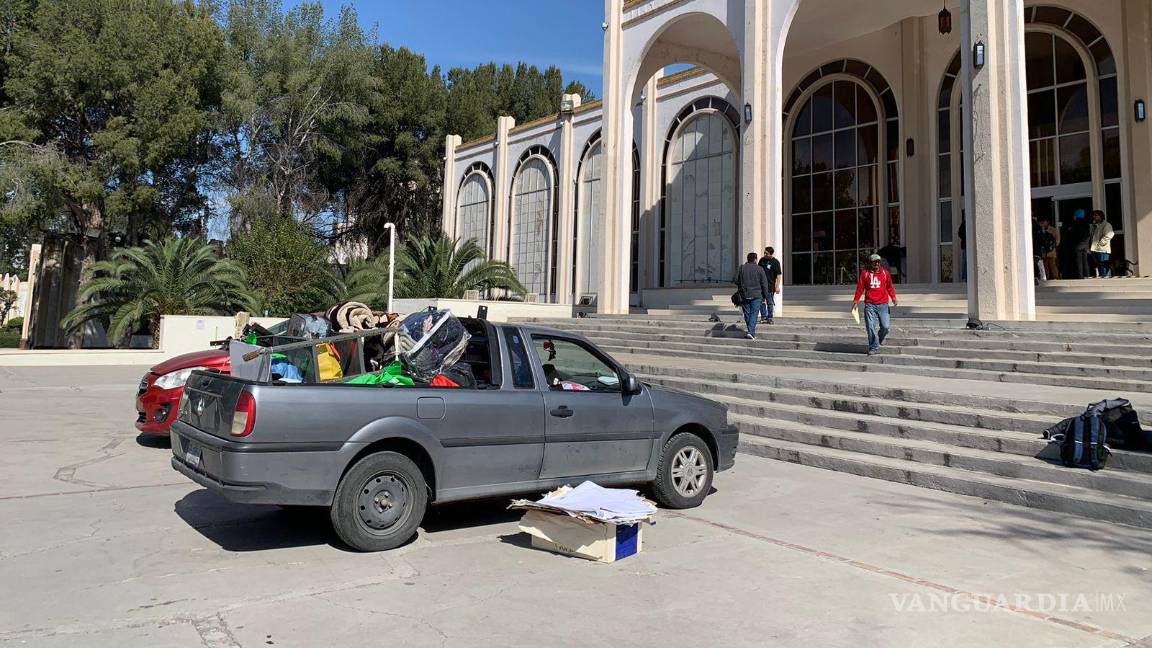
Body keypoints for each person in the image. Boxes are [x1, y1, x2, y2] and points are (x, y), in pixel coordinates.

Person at [852, 253, 898, 356]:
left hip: (883, 304)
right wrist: (855, 301)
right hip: (870, 304)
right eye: (874, 262)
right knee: (870, 326)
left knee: (885, 327)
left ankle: (880, 337)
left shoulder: (885, 273)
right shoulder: (865, 273)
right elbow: (860, 288)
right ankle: (873, 347)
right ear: (871, 263)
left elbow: (890, 287)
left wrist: (893, 297)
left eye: (878, 261)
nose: (876, 263)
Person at [734, 251, 771, 340]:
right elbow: (764, 283)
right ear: (755, 259)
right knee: (754, 314)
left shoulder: (741, 268)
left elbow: (736, 280)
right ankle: (751, 332)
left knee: (747, 314)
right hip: (757, 294)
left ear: (748, 259)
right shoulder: (759, 269)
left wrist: (741, 286)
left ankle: (751, 332)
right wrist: (765, 296)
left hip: (744, 294)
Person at [757, 246, 783, 324]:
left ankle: (770, 317)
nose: (764, 254)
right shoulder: (762, 260)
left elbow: (778, 275)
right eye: (764, 252)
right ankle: (763, 317)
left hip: (770, 285)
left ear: (771, 254)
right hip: (761, 285)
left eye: (766, 253)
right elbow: (758, 271)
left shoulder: (775, 262)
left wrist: (777, 286)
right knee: (761, 301)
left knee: (770, 302)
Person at [1089, 210, 1115, 278]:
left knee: (1104, 267)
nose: (1094, 217)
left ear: (1101, 216)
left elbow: (1110, 234)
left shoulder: (1106, 224)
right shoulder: (1094, 226)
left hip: (1103, 250)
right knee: (1099, 267)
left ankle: (1107, 281)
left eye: (1096, 215)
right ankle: (1101, 280)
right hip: (1095, 249)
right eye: (1094, 215)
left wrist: (1101, 243)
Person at [1036, 216, 1060, 280]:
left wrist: (1053, 246)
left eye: (1044, 222)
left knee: (1052, 264)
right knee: (1045, 264)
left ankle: (1055, 277)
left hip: (1051, 250)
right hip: (1043, 250)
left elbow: (1057, 240)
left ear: (1047, 222)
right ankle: (1047, 276)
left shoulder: (1053, 230)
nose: (1042, 224)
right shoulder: (1039, 230)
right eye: (1041, 222)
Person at [1069, 209, 1091, 279]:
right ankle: (1087, 275)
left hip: (1078, 244)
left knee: (1079, 261)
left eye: (1074, 215)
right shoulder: (1086, 224)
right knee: (1085, 260)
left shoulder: (1076, 224)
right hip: (1085, 244)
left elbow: (1075, 235)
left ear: (1076, 216)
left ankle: (1080, 276)